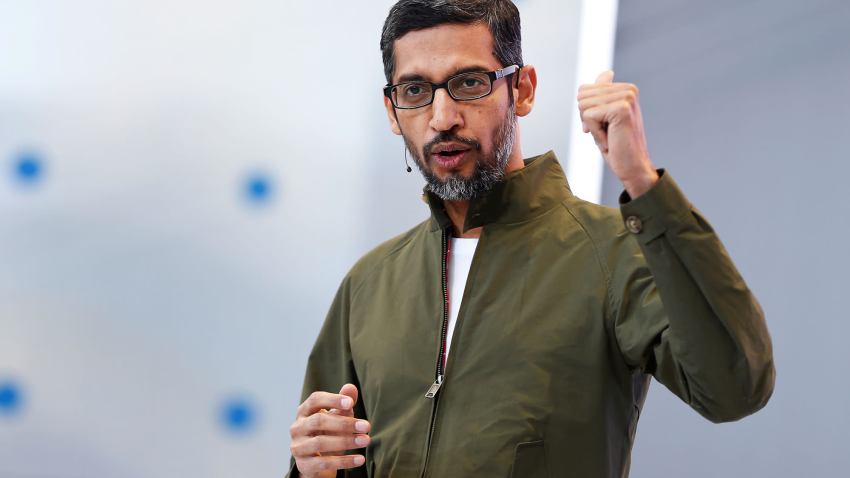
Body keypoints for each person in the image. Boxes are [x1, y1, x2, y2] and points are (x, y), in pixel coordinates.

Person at [286, 1, 775, 477]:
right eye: (415, 90)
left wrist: (642, 182)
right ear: (393, 112)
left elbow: (735, 388)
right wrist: (312, 468)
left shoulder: (611, 252)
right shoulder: (368, 284)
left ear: (521, 90)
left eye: (469, 83)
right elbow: (332, 457)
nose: (442, 117)